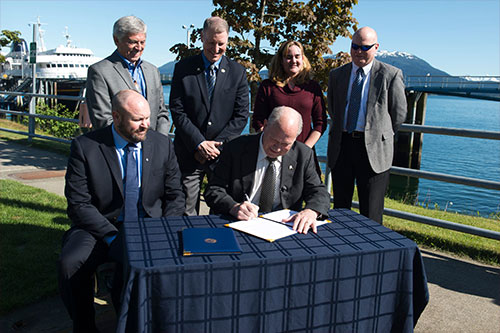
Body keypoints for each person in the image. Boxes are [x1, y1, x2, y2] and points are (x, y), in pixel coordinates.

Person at [58, 89, 185, 332]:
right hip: (101, 227)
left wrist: (163, 230)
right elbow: (78, 204)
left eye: (147, 118)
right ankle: (84, 324)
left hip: (149, 225)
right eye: (137, 119)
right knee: (70, 263)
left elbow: (175, 195)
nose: (145, 125)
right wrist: (113, 237)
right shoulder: (86, 147)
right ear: (116, 117)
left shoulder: (161, 144)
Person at [205, 106, 330, 234]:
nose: (277, 148)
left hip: (283, 228)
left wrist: (311, 211)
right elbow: (214, 189)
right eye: (274, 140)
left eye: (286, 144)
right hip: (239, 224)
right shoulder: (235, 147)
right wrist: (233, 207)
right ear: (265, 125)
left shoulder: (303, 154)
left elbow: (319, 191)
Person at [169, 16, 249, 216]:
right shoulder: (183, 68)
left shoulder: (237, 72)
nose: (215, 49)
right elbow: (177, 111)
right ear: (202, 37)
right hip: (189, 152)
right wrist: (199, 143)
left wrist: (215, 146)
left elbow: (240, 116)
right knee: (186, 211)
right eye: (211, 43)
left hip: (222, 156)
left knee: (222, 208)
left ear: (227, 41)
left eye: (221, 44)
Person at [327, 26, 407, 223]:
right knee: (340, 209)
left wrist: (379, 134)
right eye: (354, 46)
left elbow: (398, 114)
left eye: (364, 47)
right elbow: (333, 108)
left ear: (376, 47)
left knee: (371, 212)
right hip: (343, 146)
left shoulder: (391, 74)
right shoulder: (336, 75)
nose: (358, 51)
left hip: (374, 151)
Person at [252, 40, 327, 175]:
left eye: (297, 56)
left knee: (308, 192)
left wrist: (304, 149)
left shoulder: (312, 87)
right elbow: (258, 120)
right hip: (273, 154)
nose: (293, 60)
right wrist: (273, 147)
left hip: (304, 155)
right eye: (288, 57)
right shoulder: (268, 86)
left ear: (303, 59)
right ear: (281, 60)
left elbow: (320, 123)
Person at [86, 16, 170, 135]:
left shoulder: (152, 71)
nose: (139, 47)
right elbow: (102, 119)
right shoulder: (100, 71)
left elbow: (161, 112)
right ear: (116, 40)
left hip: (154, 147)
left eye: (142, 42)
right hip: (119, 148)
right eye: (133, 42)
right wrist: (135, 143)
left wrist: (160, 142)